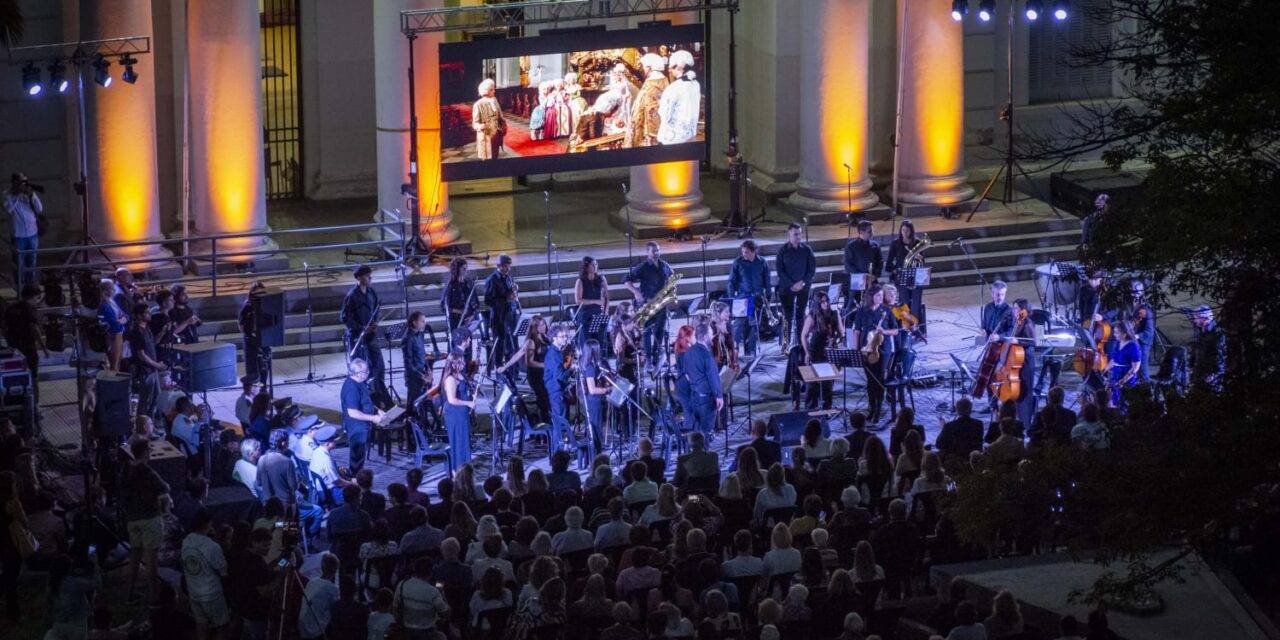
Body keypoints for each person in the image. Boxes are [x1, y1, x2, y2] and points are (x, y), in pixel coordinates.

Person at [121, 437, 169, 604]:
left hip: (132, 518)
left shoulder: (126, 470)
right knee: (151, 559)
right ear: (145, 452)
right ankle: (153, 596)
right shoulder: (146, 471)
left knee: (134, 556)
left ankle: (128, 593)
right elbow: (165, 487)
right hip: (149, 518)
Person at [852, 285, 899, 424]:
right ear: (871, 296)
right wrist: (856, 349)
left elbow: (895, 330)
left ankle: (878, 410)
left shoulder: (886, 311)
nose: (880, 297)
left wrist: (884, 331)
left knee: (879, 380)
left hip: (882, 350)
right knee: (870, 381)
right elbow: (857, 331)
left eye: (881, 295)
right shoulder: (862, 311)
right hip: (866, 350)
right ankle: (871, 408)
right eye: (877, 295)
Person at [341, 265, 388, 404]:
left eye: (370, 275)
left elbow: (376, 311)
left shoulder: (372, 292)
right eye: (367, 276)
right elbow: (344, 318)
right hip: (358, 337)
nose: (370, 278)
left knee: (379, 365)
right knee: (361, 367)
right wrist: (361, 328)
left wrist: (374, 323)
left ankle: (379, 394)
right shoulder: (351, 295)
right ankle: (363, 396)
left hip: (371, 336)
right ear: (359, 278)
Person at [181, 509, 229, 640]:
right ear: (208, 523)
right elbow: (223, 571)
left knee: (201, 625)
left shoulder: (186, 541)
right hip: (211, 593)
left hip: (194, 592)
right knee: (221, 626)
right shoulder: (211, 546)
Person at [626, 241, 676, 364]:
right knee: (647, 332)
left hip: (661, 304)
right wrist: (636, 292)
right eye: (653, 251)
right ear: (647, 252)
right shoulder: (643, 267)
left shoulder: (664, 265)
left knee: (659, 331)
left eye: (658, 250)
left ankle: (656, 356)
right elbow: (626, 279)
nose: (656, 253)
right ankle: (648, 359)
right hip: (647, 303)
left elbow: (672, 278)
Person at [3, 283, 47, 409]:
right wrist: (43, 347)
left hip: (14, 350)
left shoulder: (10, 308)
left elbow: (4, 328)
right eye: (37, 299)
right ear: (33, 296)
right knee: (33, 377)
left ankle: (17, 403)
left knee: (15, 377)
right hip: (28, 348)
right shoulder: (29, 308)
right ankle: (36, 405)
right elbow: (34, 329)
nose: (37, 302)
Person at [727, 239, 772, 356]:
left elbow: (767, 280)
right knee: (738, 326)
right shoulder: (738, 262)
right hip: (742, 298)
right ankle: (733, 352)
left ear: (753, 251)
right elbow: (731, 281)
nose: (743, 254)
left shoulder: (762, 262)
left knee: (755, 325)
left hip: (757, 298)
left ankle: (751, 352)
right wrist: (732, 298)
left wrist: (768, 294)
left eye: (746, 252)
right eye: (742, 252)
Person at [775, 223, 817, 349]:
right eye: (795, 234)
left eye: (800, 234)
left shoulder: (807, 250)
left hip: (803, 287)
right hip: (786, 289)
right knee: (787, 317)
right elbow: (780, 272)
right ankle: (785, 343)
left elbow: (812, 269)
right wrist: (792, 285)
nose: (798, 236)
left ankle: (800, 342)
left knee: (800, 316)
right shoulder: (782, 251)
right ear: (789, 234)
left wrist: (803, 282)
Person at [800, 290, 844, 410]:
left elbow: (841, 333)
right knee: (812, 383)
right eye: (822, 302)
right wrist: (807, 353)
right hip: (816, 350)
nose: (826, 304)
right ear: (817, 303)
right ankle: (810, 409)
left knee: (828, 383)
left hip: (830, 351)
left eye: (827, 301)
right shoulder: (812, 316)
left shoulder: (835, 314)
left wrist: (836, 341)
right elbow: (803, 335)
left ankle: (826, 409)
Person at [679, 324, 724, 436]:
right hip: (706, 400)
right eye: (710, 334)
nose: (712, 336)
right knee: (706, 433)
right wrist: (719, 396)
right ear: (705, 337)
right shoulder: (707, 355)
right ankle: (704, 452)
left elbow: (687, 376)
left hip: (694, 396)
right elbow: (713, 377)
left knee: (697, 433)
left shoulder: (688, 352)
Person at [341, 358, 385, 473]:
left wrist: (377, 410)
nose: (367, 373)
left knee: (360, 457)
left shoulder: (360, 383)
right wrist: (373, 418)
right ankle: (355, 481)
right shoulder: (351, 388)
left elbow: (365, 401)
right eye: (365, 372)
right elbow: (353, 412)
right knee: (357, 459)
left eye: (367, 371)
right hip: (357, 428)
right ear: (357, 373)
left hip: (363, 426)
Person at [128, 303, 167, 420]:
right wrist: (158, 365)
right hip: (144, 371)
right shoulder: (136, 331)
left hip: (151, 369)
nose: (150, 314)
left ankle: (150, 425)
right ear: (139, 316)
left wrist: (162, 333)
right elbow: (142, 355)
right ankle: (142, 426)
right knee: (145, 401)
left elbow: (151, 343)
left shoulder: (146, 328)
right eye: (147, 312)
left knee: (154, 398)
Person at [5, 173, 42, 290]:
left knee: (31, 262)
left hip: (32, 234)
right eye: (21, 182)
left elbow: (40, 209)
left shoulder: (28, 194)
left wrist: (32, 196)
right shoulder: (7, 195)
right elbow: (9, 209)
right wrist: (17, 195)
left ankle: (30, 288)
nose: (23, 185)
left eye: (25, 181)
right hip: (18, 235)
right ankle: (20, 289)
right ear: (14, 183)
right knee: (18, 264)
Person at [885, 219, 926, 323]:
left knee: (916, 301)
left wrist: (920, 258)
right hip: (901, 276)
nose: (905, 233)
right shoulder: (895, 243)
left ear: (911, 231)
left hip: (915, 276)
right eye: (903, 230)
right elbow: (888, 264)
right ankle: (905, 325)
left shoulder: (917, 243)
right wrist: (896, 270)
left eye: (907, 230)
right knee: (904, 302)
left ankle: (915, 325)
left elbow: (922, 263)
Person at [439, 352, 475, 469]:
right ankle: (458, 471)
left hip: (461, 414)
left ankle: (465, 470)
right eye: (460, 362)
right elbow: (451, 400)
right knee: (459, 443)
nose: (463, 364)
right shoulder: (450, 379)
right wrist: (468, 403)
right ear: (453, 364)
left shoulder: (459, 374)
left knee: (464, 443)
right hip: (455, 415)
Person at [485, 255, 520, 370]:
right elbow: (488, 300)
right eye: (505, 267)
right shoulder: (492, 280)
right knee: (500, 344)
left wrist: (514, 292)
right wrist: (506, 298)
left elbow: (509, 294)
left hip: (510, 314)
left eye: (509, 266)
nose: (508, 269)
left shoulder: (509, 277)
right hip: (499, 317)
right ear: (499, 266)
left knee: (513, 341)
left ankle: (513, 369)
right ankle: (499, 368)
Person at [658, 49, 700, 144]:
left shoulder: (674, 87)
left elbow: (665, 114)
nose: (669, 70)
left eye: (672, 67)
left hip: (673, 138)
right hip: (691, 134)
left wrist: (659, 104)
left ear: (680, 67)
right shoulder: (696, 84)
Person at [628, 53, 669, 147]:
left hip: (650, 126)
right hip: (663, 119)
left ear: (650, 67)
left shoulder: (650, 82)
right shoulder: (664, 79)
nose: (643, 69)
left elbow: (645, 106)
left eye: (644, 67)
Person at [580, 339, 611, 457]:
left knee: (595, 430)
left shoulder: (591, 365)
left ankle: (593, 457)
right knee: (596, 432)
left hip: (593, 402)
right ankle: (596, 458)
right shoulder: (590, 367)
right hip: (594, 402)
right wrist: (607, 390)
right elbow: (592, 389)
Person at [843, 220, 883, 311]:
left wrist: (875, 275)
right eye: (869, 231)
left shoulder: (875, 246)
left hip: (872, 280)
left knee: (876, 302)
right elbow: (848, 265)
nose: (872, 233)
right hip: (857, 280)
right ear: (861, 232)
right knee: (853, 306)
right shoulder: (851, 246)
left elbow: (880, 262)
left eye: (872, 231)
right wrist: (863, 275)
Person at [441, 258, 477, 358]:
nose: (466, 271)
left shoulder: (469, 283)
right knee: (456, 349)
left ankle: (467, 372)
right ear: (457, 269)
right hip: (455, 322)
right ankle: (454, 370)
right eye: (463, 268)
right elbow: (444, 306)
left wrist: (471, 316)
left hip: (467, 322)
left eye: (466, 268)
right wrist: (461, 312)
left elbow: (475, 303)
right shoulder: (450, 284)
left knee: (467, 348)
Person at [403, 310, 435, 418]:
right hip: (413, 377)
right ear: (414, 322)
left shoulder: (420, 335)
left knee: (422, 406)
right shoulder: (407, 338)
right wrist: (422, 376)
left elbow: (422, 354)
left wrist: (429, 370)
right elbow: (408, 363)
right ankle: (411, 430)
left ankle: (423, 427)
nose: (424, 323)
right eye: (422, 321)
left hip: (422, 373)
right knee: (413, 406)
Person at [238, 281, 270, 387]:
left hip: (264, 338)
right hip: (251, 340)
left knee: (264, 364)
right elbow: (241, 324)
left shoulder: (267, 304)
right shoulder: (247, 305)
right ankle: (252, 387)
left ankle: (263, 386)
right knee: (252, 365)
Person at [935, 398, 984, 467]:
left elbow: (939, 445)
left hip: (955, 461)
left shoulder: (949, 426)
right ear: (970, 410)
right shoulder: (979, 424)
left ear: (957, 410)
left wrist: (944, 428)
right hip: (974, 459)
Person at [1109, 321, 1145, 410]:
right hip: (1115, 377)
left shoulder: (1133, 346)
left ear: (1125, 334)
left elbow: (1135, 368)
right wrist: (1105, 370)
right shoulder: (1118, 343)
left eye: (1117, 332)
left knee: (1123, 404)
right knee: (1114, 402)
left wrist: (1122, 381)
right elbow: (1114, 359)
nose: (1114, 334)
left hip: (1126, 381)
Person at [575, 256, 610, 347]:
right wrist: (595, 301)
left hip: (599, 314)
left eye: (596, 264)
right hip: (585, 315)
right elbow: (578, 301)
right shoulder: (580, 281)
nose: (595, 266)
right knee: (587, 342)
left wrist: (605, 314)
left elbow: (607, 298)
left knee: (600, 341)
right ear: (586, 267)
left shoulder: (602, 279)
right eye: (593, 264)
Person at [1190, 305, 1225, 391]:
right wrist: (1191, 365)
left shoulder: (1218, 334)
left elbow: (1219, 355)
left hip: (1210, 376)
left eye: (1196, 318)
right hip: (1199, 372)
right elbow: (1195, 349)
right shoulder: (1201, 331)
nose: (1194, 321)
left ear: (1204, 318)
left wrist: (1214, 374)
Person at [472, 78, 506, 160]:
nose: (494, 91)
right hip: (485, 135)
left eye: (493, 89)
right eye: (492, 89)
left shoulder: (494, 100)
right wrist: (479, 126)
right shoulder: (478, 104)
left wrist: (504, 125)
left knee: (495, 155)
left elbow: (500, 116)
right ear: (486, 91)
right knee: (487, 158)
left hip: (496, 134)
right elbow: (474, 123)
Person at [96, 279, 127, 372]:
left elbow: (124, 315)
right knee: (114, 362)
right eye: (112, 289)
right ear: (106, 290)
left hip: (120, 331)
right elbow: (112, 321)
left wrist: (122, 320)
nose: (114, 291)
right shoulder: (103, 305)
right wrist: (120, 320)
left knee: (119, 360)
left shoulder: (112, 302)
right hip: (113, 334)